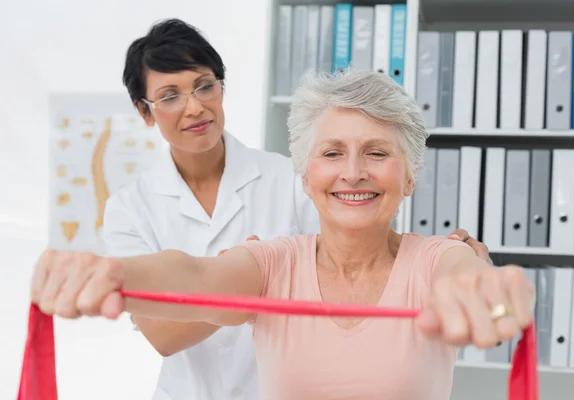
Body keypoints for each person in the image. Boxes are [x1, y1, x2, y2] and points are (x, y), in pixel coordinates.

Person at [31, 68, 533, 400]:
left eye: (377, 154)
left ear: (410, 177)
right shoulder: (272, 263)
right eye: (332, 153)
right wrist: (111, 271)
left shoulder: (439, 258)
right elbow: (194, 273)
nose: (353, 172)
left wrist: (497, 296)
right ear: (306, 175)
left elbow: (481, 289)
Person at [106, 18, 492, 400]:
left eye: (204, 86)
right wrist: (242, 282)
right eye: (170, 95)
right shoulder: (129, 207)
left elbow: (354, 260)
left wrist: (459, 270)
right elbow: (160, 331)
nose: (193, 108)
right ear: (145, 111)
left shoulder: (289, 175)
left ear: (222, 88)